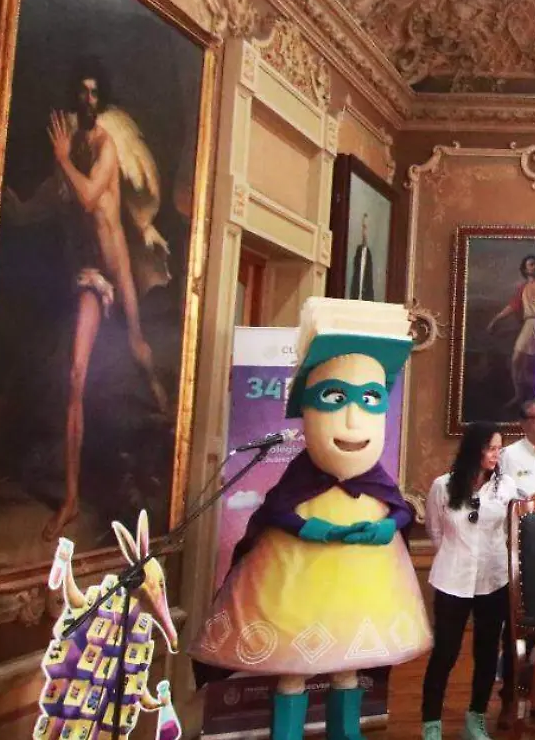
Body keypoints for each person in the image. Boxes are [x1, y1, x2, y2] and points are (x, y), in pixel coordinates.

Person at [191, 298, 427, 740]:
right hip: (294, 583)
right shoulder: (301, 471)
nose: (354, 416)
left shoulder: (375, 476)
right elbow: (276, 510)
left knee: (347, 671)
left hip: (361, 587)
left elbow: (400, 508)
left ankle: (346, 733)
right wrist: (309, 528)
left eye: (370, 400)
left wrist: (385, 526)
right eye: (337, 398)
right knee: (292, 671)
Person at [3, 58, 173, 538]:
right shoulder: (73, 148)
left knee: (139, 353)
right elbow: (44, 203)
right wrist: (6, 202)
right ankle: (73, 499)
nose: (88, 101)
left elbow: (86, 196)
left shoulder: (103, 147)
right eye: (82, 93)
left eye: (96, 93)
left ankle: (168, 416)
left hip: (114, 273)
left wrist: (60, 159)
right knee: (76, 376)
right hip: (88, 276)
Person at [421, 422, 525, 740]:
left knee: (486, 651)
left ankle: (475, 719)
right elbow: (435, 530)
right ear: (475, 449)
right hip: (452, 579)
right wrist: (457, 555)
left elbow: (512, 531)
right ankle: (431, 724)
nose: (496, 455)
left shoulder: (505, 487)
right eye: (491, 448)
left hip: (493, 580)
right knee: (446, 653)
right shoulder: (444, 485)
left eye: (499, 448)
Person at [486, 255, 535, 414]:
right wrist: (495, 320)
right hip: (530, 323)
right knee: (517, 359)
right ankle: (519, 395)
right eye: (530, 264)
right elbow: (512, 307)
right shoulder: (523, 288)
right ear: (525, 268)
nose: (533, 266)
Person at [348, 214, 377, 301]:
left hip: (367, 297)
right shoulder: (358, 251)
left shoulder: (370, 255)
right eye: (363, 228)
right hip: (356, 296)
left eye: (366, 229)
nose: (364, 233)